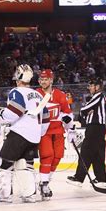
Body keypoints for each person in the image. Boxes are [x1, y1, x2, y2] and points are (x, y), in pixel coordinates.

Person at [0, 64, 50, 203]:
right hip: (33, 136)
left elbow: (15, 111)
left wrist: (0, 118)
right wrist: (38, 133)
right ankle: (30, 194)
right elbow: (46, 117)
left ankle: (5, 194)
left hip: (20, 133)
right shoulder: (38, 94)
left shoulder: (17, 92)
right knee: (26, 164)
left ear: (18, 77)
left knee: (5, 161)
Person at [37, 68, 73, 200]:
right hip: (44, 132)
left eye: (46, 79)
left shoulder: (60, 94)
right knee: (47, 155)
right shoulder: (36, 94)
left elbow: (67, 112)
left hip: (58, 130)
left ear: (51, 80)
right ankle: (44, 183)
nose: (43, 82)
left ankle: (44, 181)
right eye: (41, 79)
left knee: (58, 156)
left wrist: (70, 127)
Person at [67, 77, 106, 187]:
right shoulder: (96, 97)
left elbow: (84, 109)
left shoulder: (98, 96)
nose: (89, 88)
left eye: (91, 85)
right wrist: (84, 113)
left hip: (94, 128)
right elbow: (86, 111)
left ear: (97, 87)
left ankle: (79, 178)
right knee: (97, 154)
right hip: (98, 128)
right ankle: (101, 179)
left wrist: (83, 112)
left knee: (86, 151)